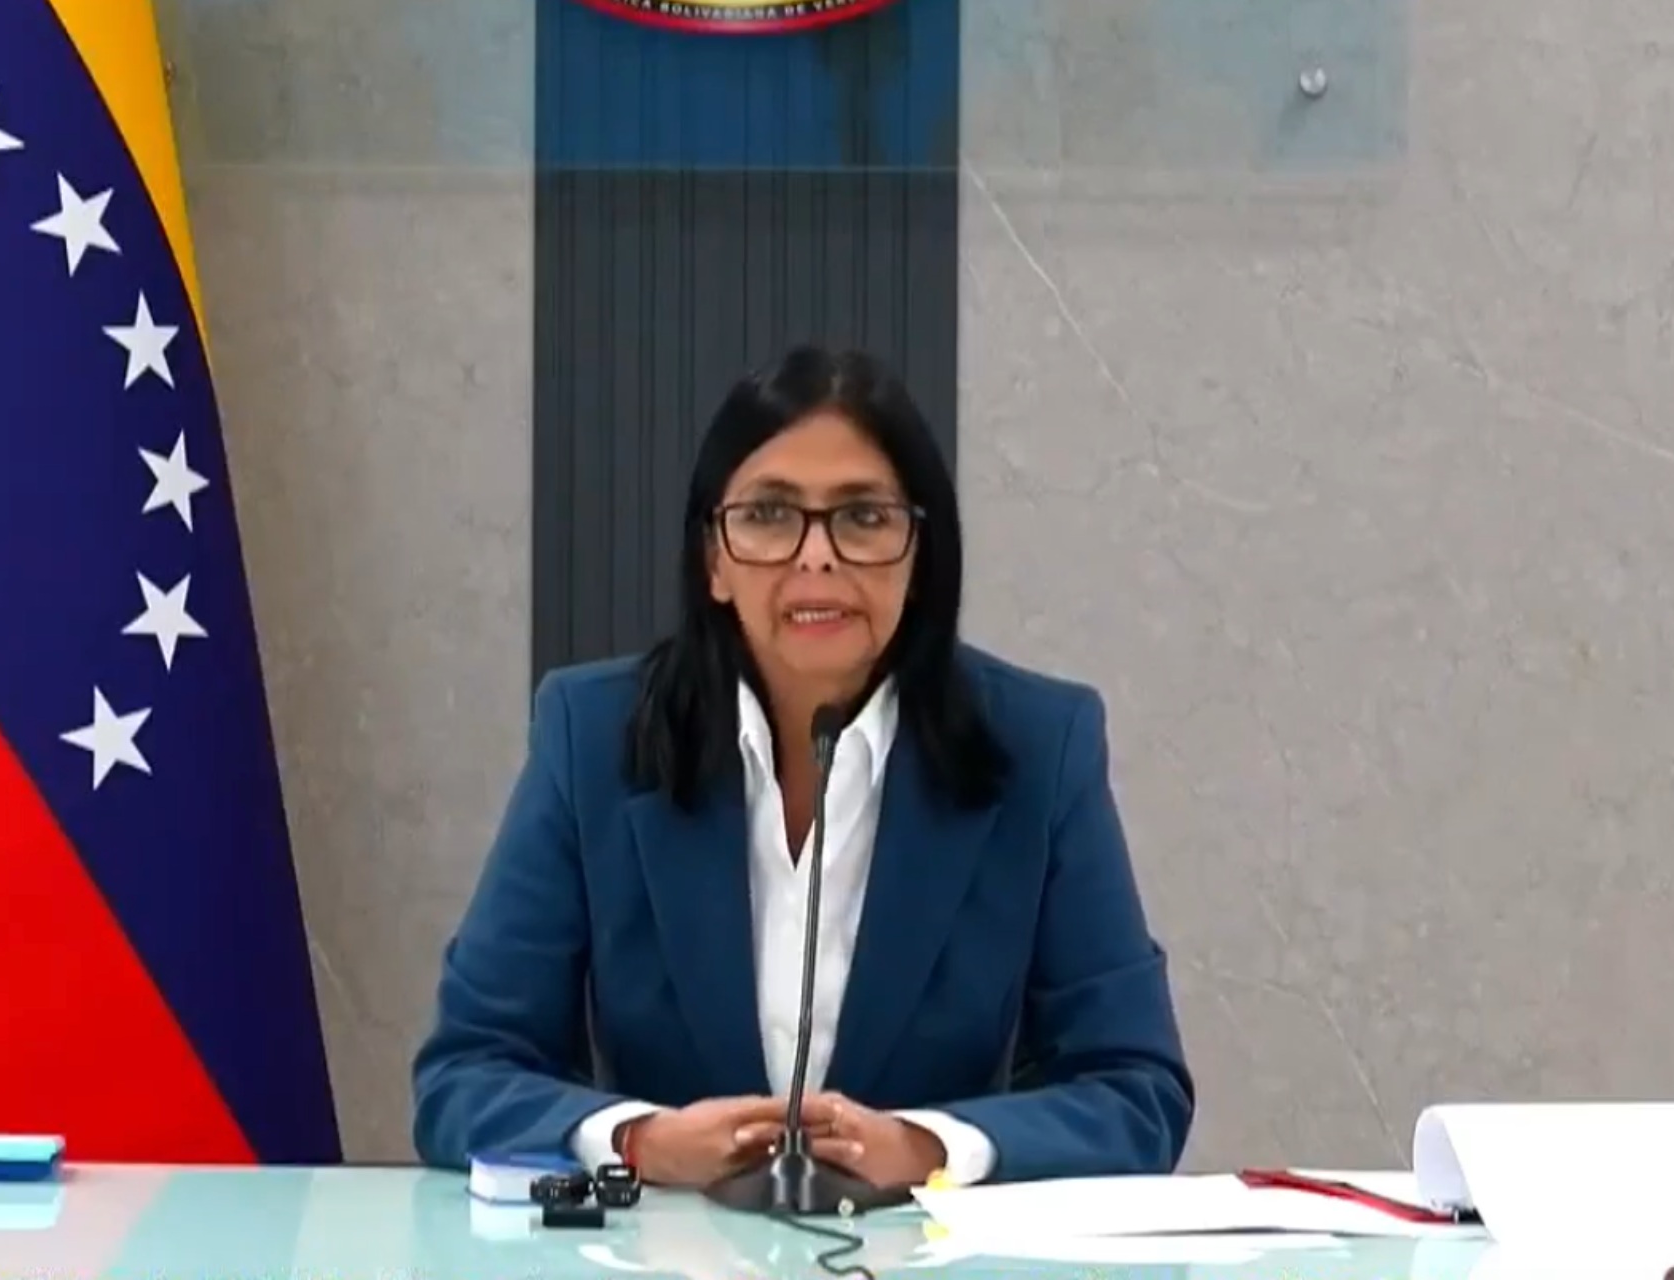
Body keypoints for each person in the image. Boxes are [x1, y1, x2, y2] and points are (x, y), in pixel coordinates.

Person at [410, 345, 1194, 1189]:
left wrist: (930, 1149)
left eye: (863, 517)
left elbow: (1135, 1092)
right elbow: (466, 1076)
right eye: (769, 515)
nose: (816, 555)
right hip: (664, 1246)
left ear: (919, 555)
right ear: (714, 559)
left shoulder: (1040, 746)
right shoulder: (593, 736)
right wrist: (638, 1141)